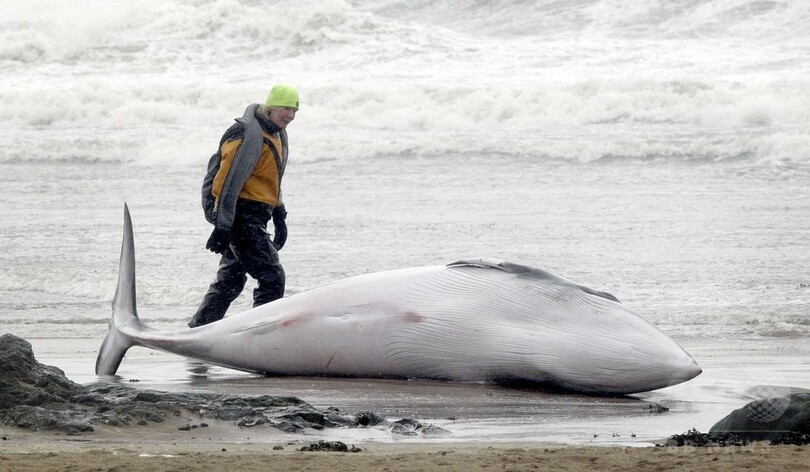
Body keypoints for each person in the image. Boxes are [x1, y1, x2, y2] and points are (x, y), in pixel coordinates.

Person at [188, 84, 299, 328]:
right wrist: (223, 225)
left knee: (230, 279)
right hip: (240, 215)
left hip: (258, 215)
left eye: (294, 111)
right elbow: (225, 181)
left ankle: (199, 331)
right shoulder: (244, 133)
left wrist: (279, 212)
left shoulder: (277, 135)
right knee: (272, 277)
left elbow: (270, 178)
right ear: (270, 107)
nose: (290, 115)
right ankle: (262, 336)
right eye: (285, 109)